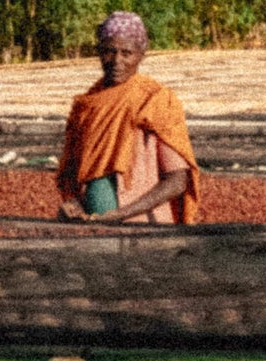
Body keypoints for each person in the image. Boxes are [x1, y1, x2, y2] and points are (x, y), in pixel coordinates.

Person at [57, 12, 200, 224]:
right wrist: (73, 203)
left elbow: (177, 181)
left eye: (127, 53)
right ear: (98, 52)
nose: (117, 60)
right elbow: (72, 173)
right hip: (93, 227)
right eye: (109, 51)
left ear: (141, 55)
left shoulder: (155, 100)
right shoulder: (86, 106)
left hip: (145, 227)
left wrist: (123, 213)